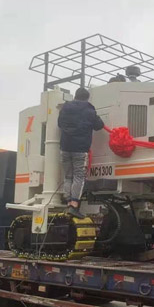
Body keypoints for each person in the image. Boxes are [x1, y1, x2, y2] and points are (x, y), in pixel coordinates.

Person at [58, 87, 104, 218]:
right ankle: (74, 205)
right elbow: (99, 125)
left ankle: (68, 203)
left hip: (65, 147)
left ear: (75, 96)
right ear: (87, 98)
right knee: (79, 177)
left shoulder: (65, 108)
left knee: (68, 176)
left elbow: (59, 123)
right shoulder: (89, 110)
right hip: (80, 149)